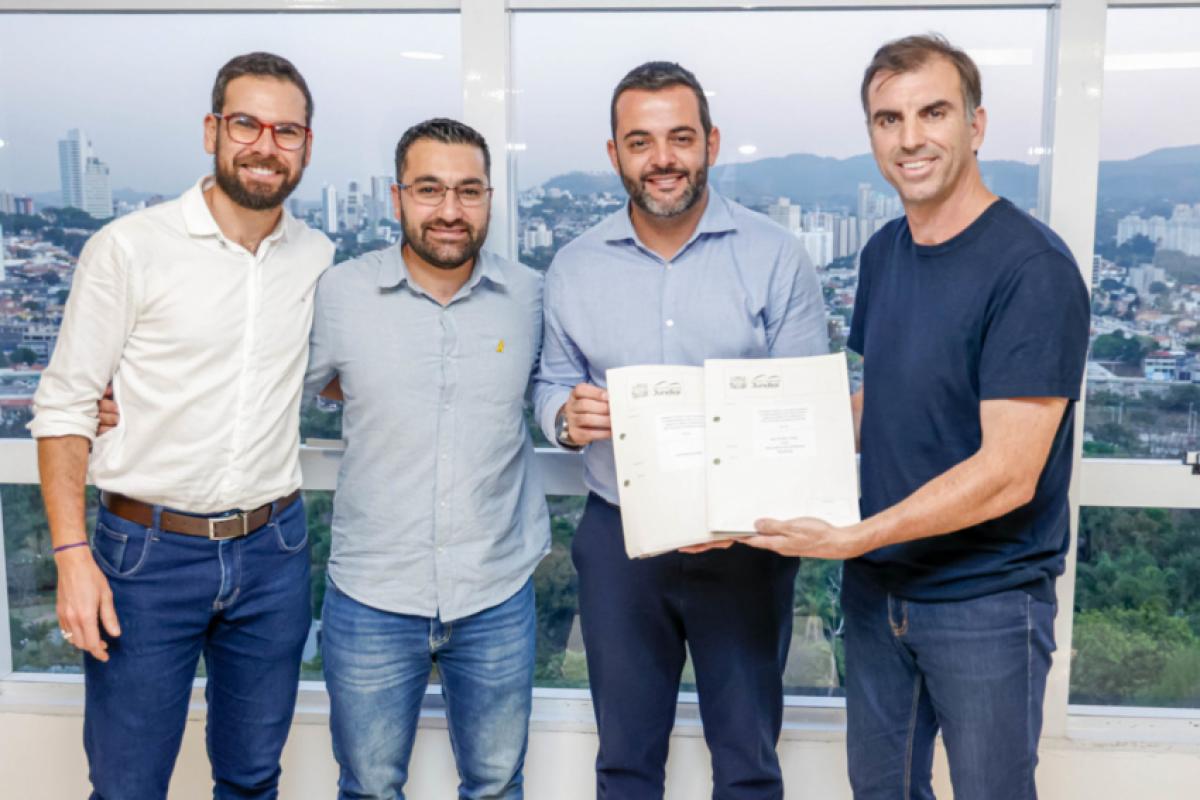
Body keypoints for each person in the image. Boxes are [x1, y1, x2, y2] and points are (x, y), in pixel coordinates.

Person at [742, 35, 1090, 800]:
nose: (910, 138)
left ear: (976, 124)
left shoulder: (1033, 269)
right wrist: (738, 467)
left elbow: (1008, 473)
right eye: (888, 119)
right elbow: (882, 400)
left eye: (933, 112)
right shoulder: (883, 252)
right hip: (878, 596)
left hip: (986, 599)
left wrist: (854, 537)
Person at [31, 52, 333, 799]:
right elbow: (65, 404)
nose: (265, 145)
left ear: (306, 145)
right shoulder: (130, 248)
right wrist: (71, 556)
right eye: (246, 124)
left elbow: (346, 369)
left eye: (286, 131)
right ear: (212, 130)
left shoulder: (318, 257)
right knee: (128, 785)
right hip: (145, 557)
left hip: (273, 550)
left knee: (253, 778)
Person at [532, 61, 828, 800]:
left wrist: (737, 516)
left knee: (749, 761)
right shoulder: (573, 267)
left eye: (680, 138)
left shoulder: (776, 256)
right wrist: (564, 418)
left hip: (747, 542)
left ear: (711, 143)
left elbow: (804, 410)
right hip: (620, 538)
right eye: (641, 141)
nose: (662, 159)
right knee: (625, 762)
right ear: (615, 154)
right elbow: (549, 384)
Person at [305, 118, 550, 800]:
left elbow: (553, 388)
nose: (449, 209)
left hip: (495, 587)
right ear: (397, 198)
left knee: (497, 785)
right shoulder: (341, 294)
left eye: (468, 190)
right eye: (429, 189)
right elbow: (281, 383)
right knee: (369, 787)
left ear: (489, 198)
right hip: (373, 592)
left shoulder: (529, 296)